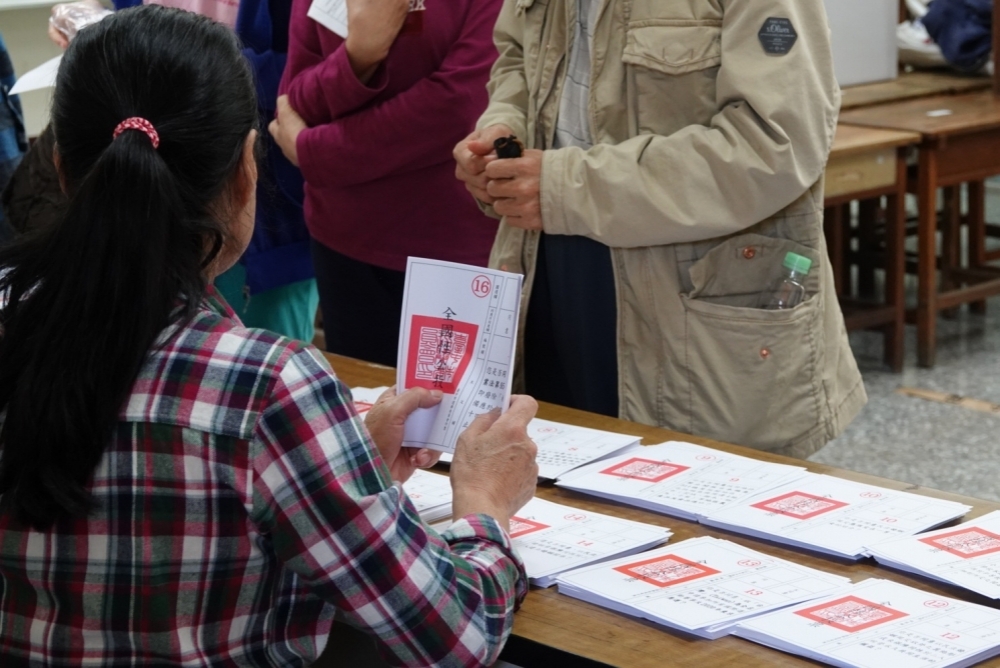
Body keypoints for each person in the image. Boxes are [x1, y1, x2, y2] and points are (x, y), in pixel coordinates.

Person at [0, 7, 538, 666]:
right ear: (245, 173)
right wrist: (484, 503)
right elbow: (459, 635)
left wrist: (339, 464)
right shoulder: (267, 385)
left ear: (59, 167)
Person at [454, 0, 866, 459]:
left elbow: (774, 144)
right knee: (555, 491)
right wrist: (503, 131)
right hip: (547, 269)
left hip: (687, 301)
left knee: (690, 505)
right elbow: (516, 55)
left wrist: (563, 187)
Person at [269, 0, 502, 366]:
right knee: (365, 408)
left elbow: (460, 106)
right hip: (342, 237)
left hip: (453, 249)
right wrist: (359, 55)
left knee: (453, 413)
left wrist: (318, 150)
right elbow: (296, 101)